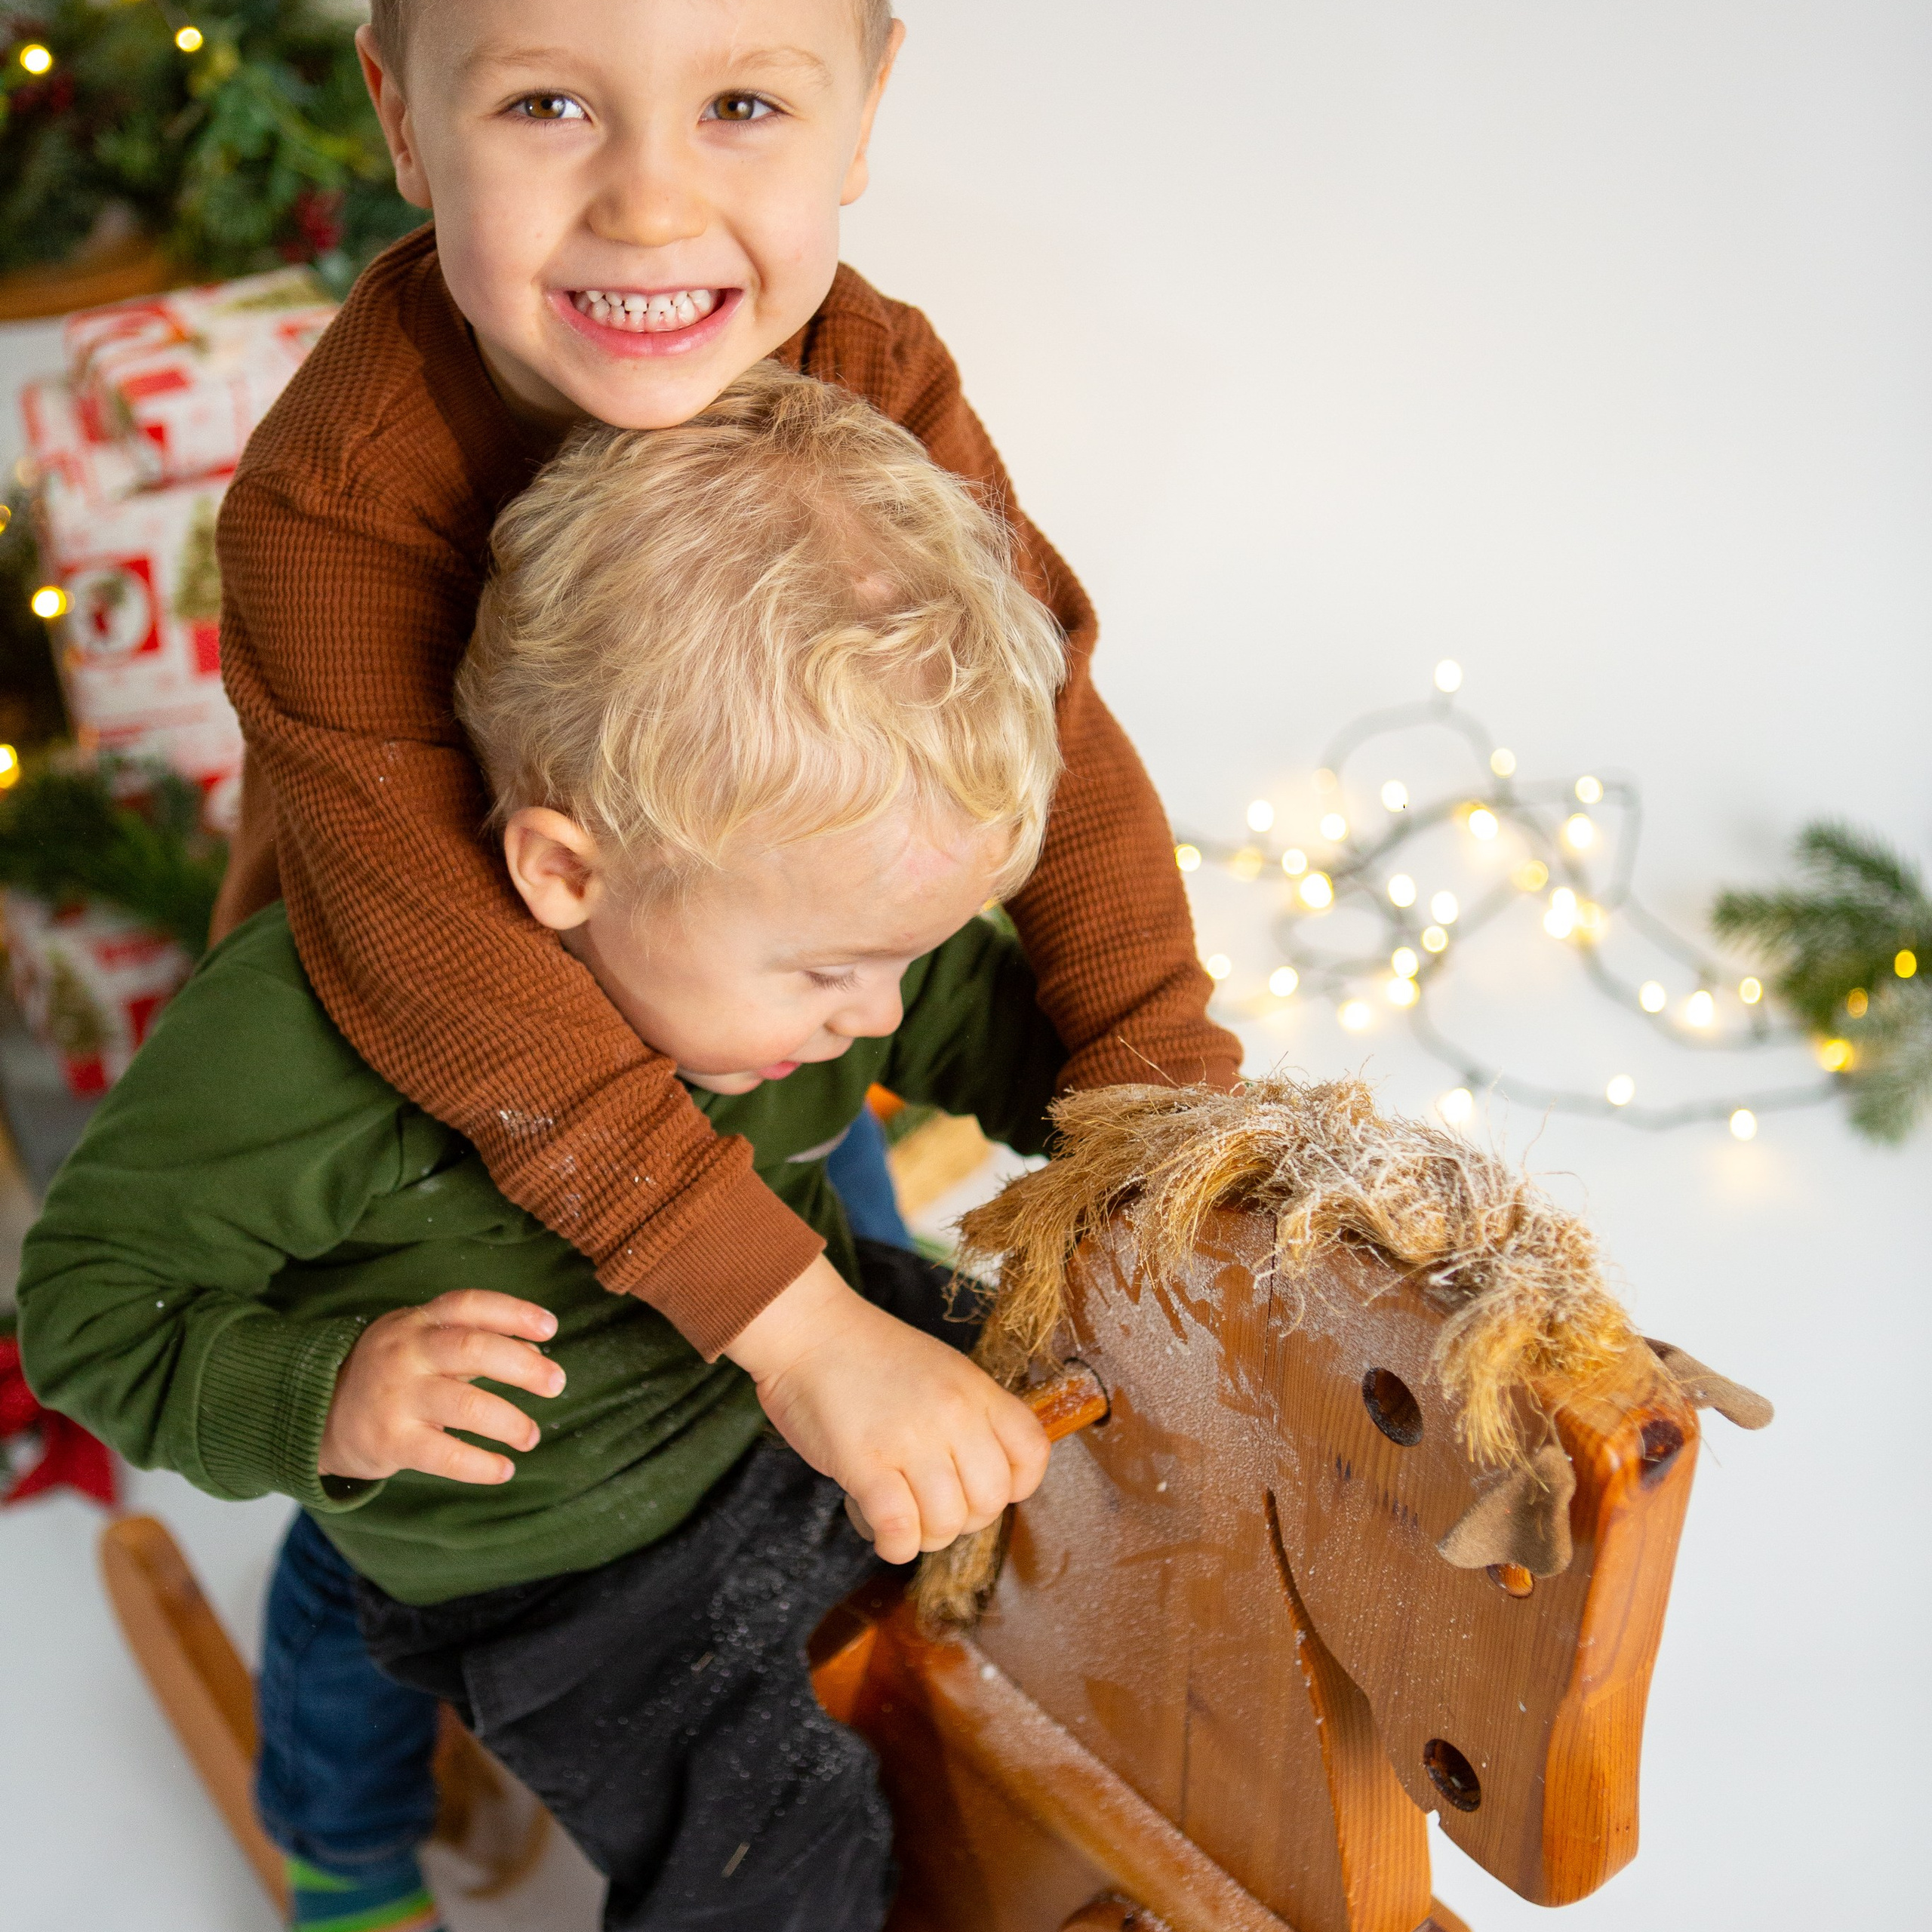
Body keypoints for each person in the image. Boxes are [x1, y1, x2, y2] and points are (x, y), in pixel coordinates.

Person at [20, 366, 1081, 1931]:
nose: (877, 1017)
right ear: (568, 873)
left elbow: (985, 1014)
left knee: (1097, 1437)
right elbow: (85, 1308)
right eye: (827, 972)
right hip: (552, 1557)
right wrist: (331, 1396)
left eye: (900, 959)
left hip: (782, 1392)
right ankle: (348, 1834)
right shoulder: (298, 1041)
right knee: (777, 1863)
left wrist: (1142, 1117)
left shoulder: (803, 922)